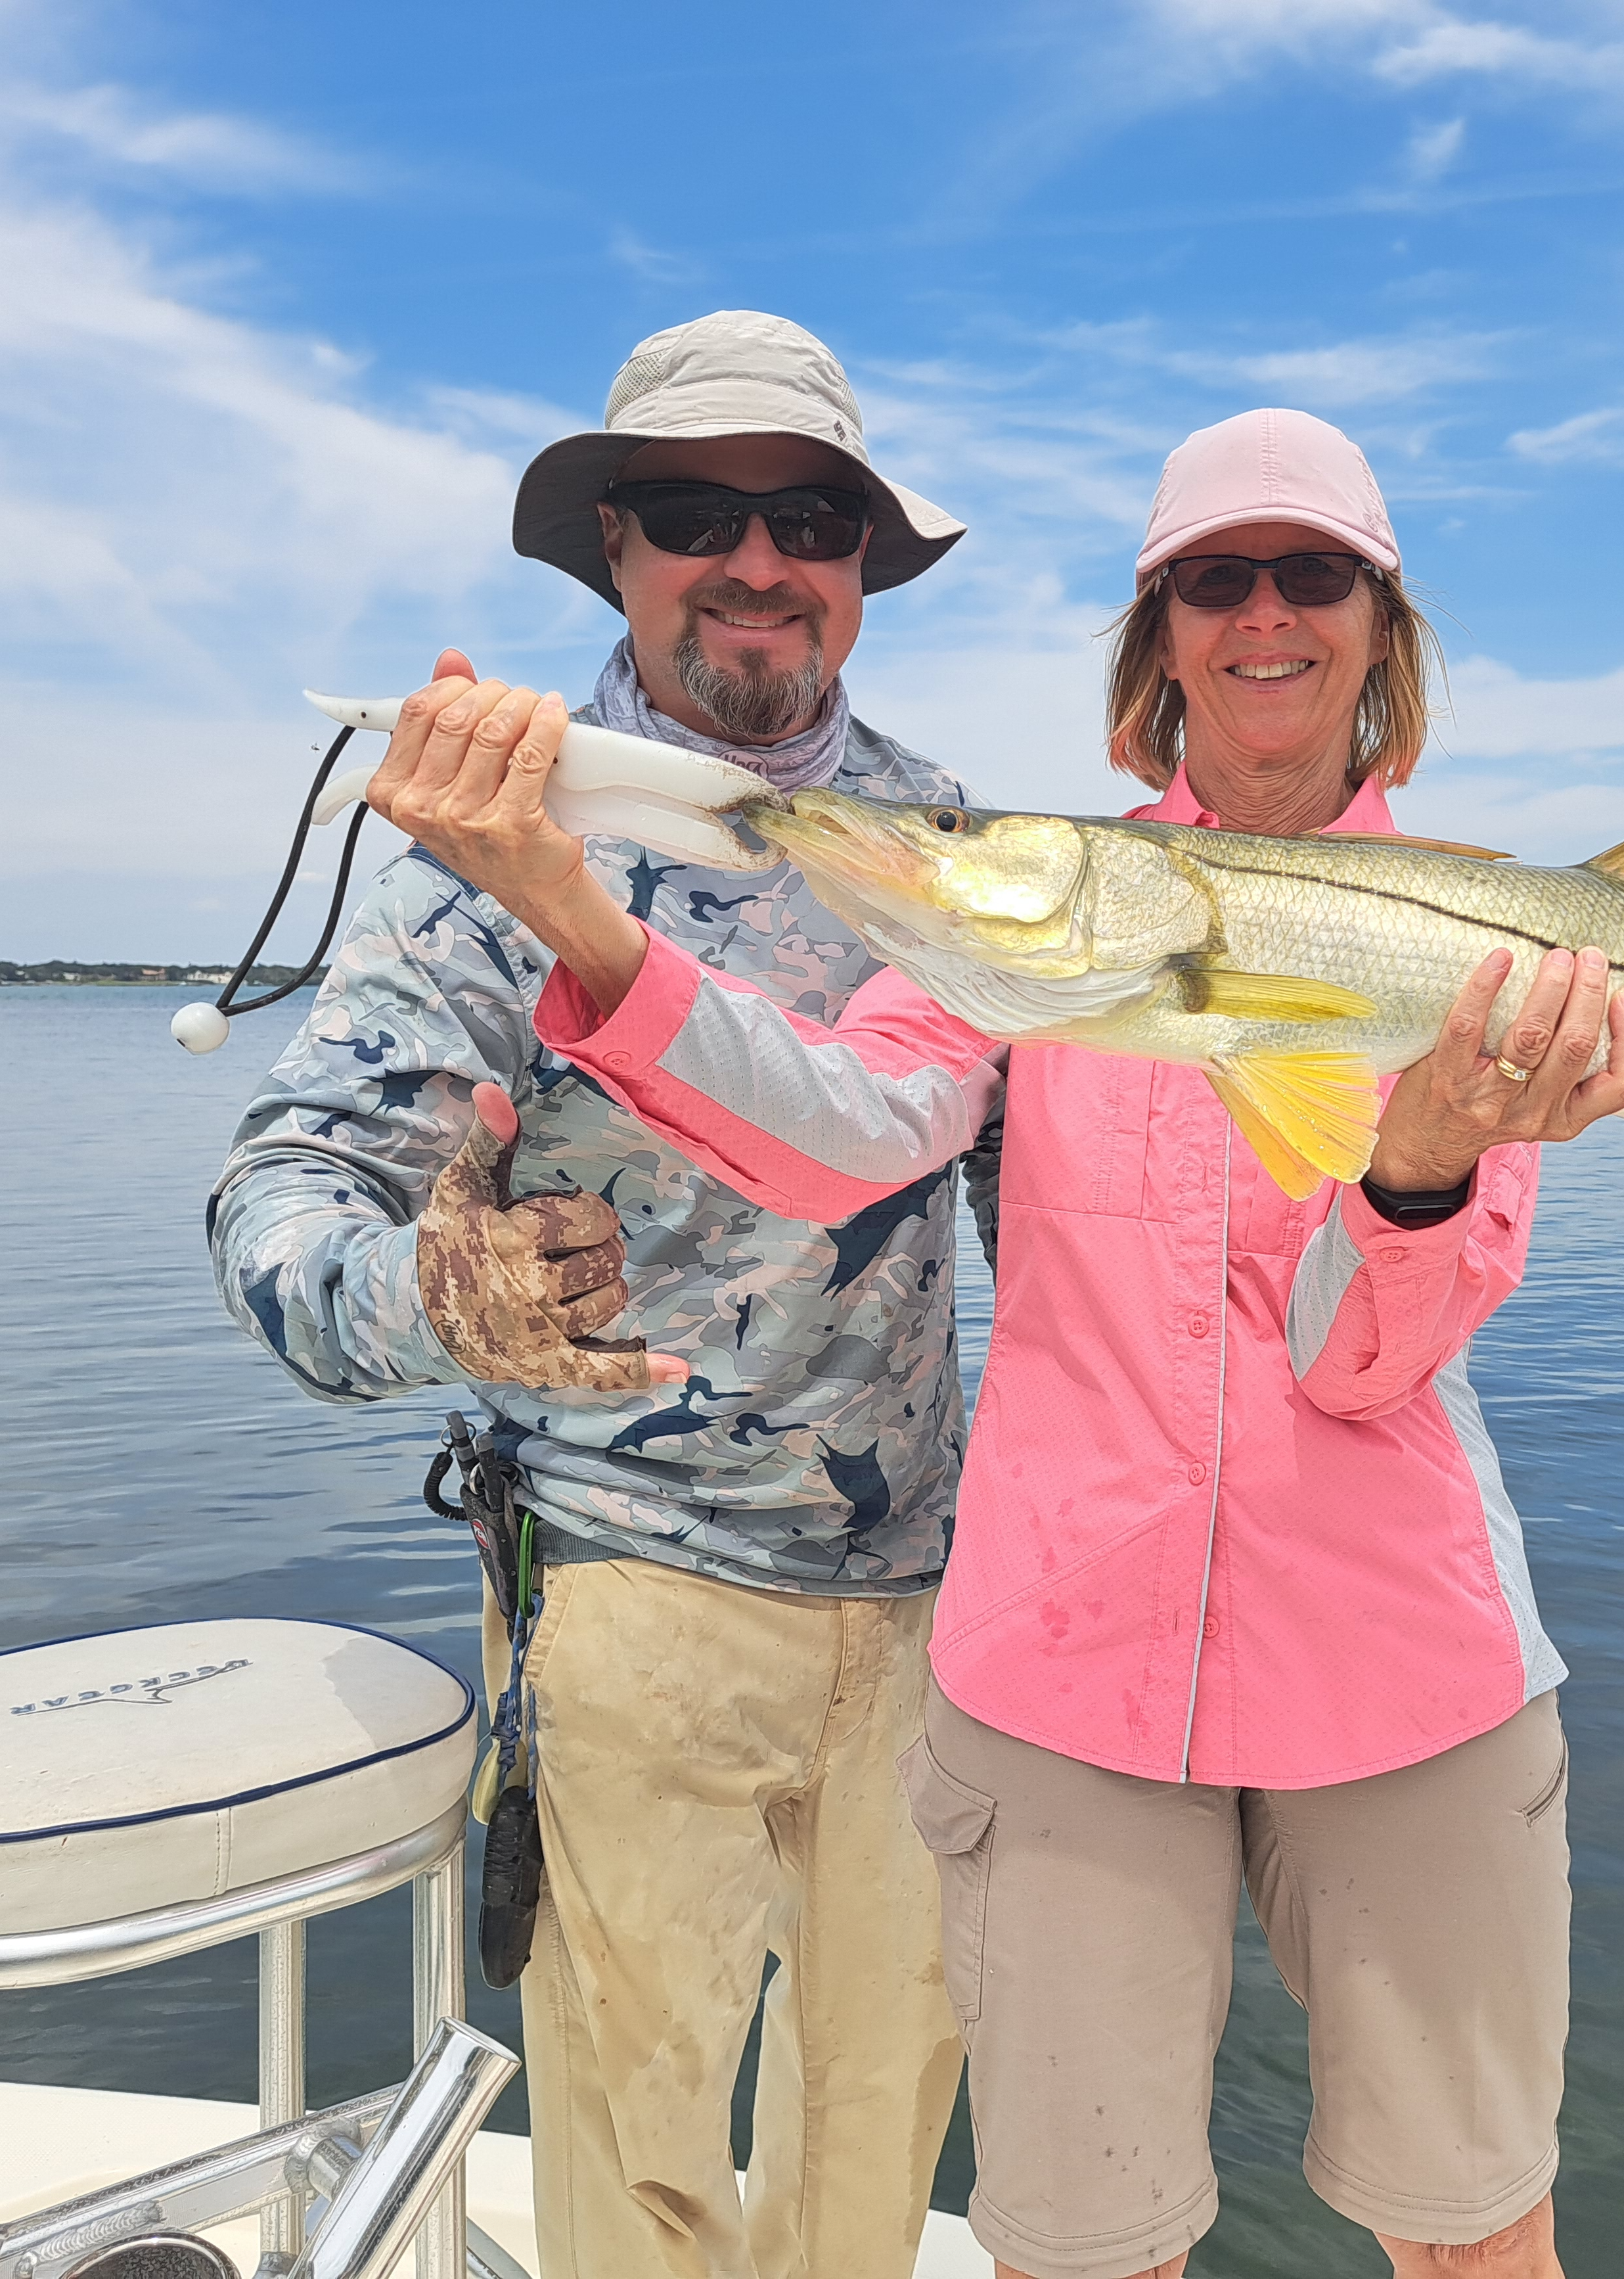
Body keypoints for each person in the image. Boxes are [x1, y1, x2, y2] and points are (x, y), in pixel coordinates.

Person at [374, 406, 1624, 2279]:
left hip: (1405, 1667)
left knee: (1473, 2234)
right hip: (1064, 1679)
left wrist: (1426, 1163)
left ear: (1382, 630)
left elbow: (1361, 1361)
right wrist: (570, 904)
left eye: (1315, 575)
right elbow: (831, 1127)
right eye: (1214, 579)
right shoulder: (1034, 917)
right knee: (1083, 2246)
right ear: (1158, 643)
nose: (1264, 614)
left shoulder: (1492, 951)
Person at [208, 311, 983, 2279]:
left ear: (864, 567)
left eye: (808, 513)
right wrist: (432, 1291)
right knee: (638, 2176)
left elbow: (1055, 1192)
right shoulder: (488, 827)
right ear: (612, 551)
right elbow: (281, 1204)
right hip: (629, 1587)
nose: (756, 557)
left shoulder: (947, 835)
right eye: (690, 511)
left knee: (884, 2137)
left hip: (943, 1620)